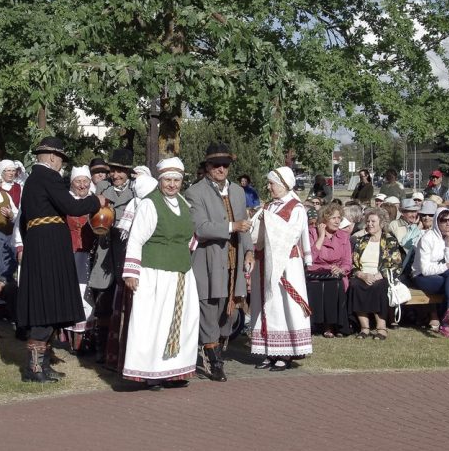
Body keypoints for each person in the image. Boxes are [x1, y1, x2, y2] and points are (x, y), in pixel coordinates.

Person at [16, 137, 105, 383]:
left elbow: (23, 222)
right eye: (61, 160)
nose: (61, 165)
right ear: (53, 157)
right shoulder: (47, 176)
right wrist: (96, 201)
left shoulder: (32, 180)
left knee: (49, 305)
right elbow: (71, 207)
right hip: (49, 249)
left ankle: (43, 365)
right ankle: (34, 368)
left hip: (40, 245)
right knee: (46, 305)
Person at [119, 158, 200, 388]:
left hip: (181, 274)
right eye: (168, 180)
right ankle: (150, 373)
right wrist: (131, 273)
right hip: (154, 273)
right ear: (160, 181)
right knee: (153, 323)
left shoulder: (183, 203)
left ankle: (173, 371)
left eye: (176, 180)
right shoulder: (150, 204)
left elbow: (188, 235)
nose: (172, 185)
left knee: (181, 322)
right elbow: (136, 239)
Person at [184, 142, 253, 382]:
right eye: (216, 165)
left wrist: (249, 251)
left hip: (234, 261)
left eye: (225, 165)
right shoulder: (195, 192)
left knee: (229, 314)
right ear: (207, 166)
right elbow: (201, 228)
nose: (221, 169)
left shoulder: (237, 191)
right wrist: (232, 226)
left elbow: (245, 225)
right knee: (209, 309)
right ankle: (214, 361)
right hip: (209, 260)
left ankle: (215, 348)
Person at [249, 167, 313, 368]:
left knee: (284, 305)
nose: (269, 188)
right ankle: (270, 350)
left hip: (286, 264)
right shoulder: (269, 206)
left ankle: (286, 353)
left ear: (284, 184)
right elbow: (255, 232)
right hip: (265, 262)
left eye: (272, 184)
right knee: (267, 304)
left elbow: (291, 235)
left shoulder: (296, 208)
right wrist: (259, 220)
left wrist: (268, 220)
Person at [89, 148, 135, 366]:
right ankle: (101, 347)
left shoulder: (136, 190)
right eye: (113, 171)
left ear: (128, 172)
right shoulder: (102, 188)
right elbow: (92, 216)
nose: (116, 175)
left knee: (128, 299)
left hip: (127, 249)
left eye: (120, 171)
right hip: (105, 248)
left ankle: (125, 348)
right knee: (104, 298)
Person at [411, 200, 449, 337]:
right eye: (443, 220)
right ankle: (446, 323)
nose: (448, 223)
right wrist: (447, 266)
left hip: (444, 274)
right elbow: (425, 269)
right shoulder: (427, 238)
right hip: (422, 276)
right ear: (437, 222)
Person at [347, 207, 398, 340]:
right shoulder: (361, 241)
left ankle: (381, 327)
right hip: (363, 275)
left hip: (381, 275)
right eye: (368, 221)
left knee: (378, 287)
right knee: (355, 285)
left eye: (373, 221)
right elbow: (353, 263)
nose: (369, 224)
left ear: (382, 223)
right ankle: (365, 328)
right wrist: (362, 275)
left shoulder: (390, 241)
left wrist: (379, 275)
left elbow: (396, 264)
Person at [63, 168, 97, 352]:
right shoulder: (64, 201)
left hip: (91, 255)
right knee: (72, 293)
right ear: (72, 183)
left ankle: (86, 339)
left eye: (86, 181)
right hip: (69, 254)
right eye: (78, 181)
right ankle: (70, 339)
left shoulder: (96, 201)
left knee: (88, 296)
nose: (82, 185)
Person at [307, 201, 351, 338]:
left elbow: (347, 262)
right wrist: (321, 237)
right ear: (324, 220)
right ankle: (316, 324)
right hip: (315, 272)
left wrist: (341, 269)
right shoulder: (312, 233)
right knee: (317, 286)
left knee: (335, 284)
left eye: (339, 218)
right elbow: (310, 258)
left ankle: (331, 325)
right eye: (333, 218)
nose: (337, 221)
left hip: (336, 272)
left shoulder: (344, 236)